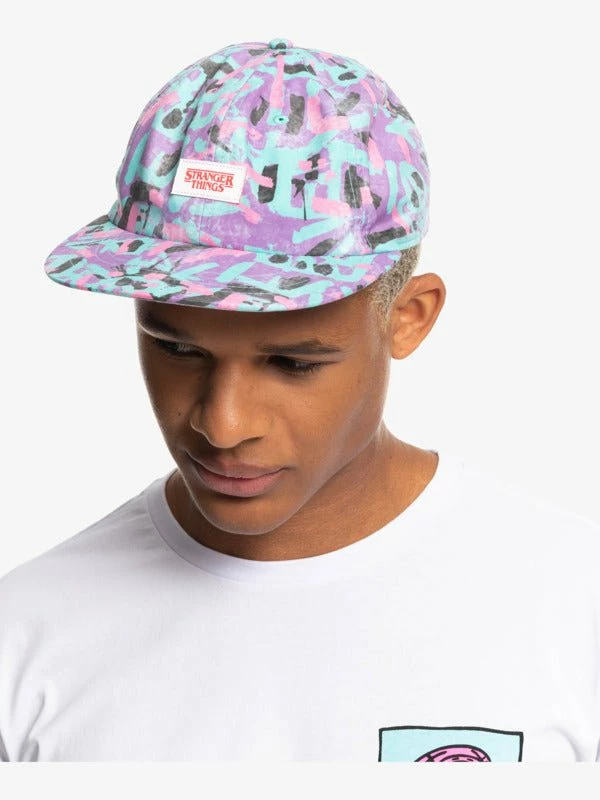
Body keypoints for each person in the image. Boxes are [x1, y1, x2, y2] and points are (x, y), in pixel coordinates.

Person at [0, 37, 598, 763]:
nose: (223, 425)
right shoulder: (26, 639)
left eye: (292, 362)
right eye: (178, 349)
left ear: (408, 318)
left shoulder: (572, 609)